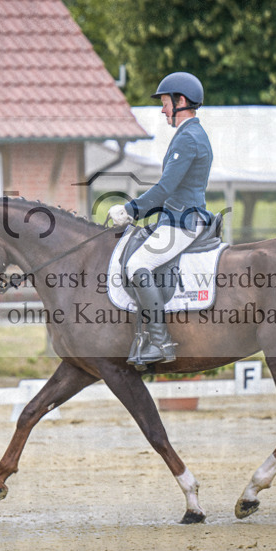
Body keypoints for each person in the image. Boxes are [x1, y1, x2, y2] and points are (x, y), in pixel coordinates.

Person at [107, 72, 213, 367]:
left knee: (137, 264)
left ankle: (160, 341)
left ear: (180, 101)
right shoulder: (189, 135)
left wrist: (131, 210)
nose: (163, 109)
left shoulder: (189, 138)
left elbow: (166, 188)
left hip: (183, 222)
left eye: (165, 103)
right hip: (177, 215)